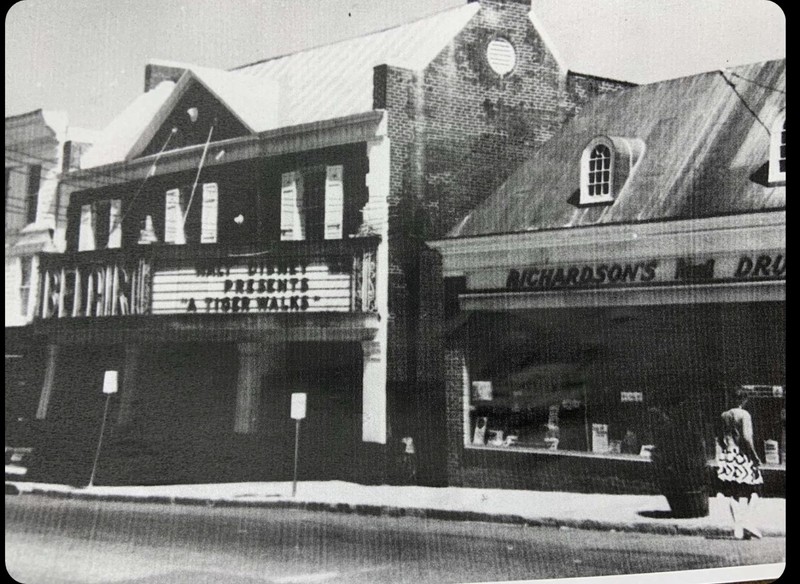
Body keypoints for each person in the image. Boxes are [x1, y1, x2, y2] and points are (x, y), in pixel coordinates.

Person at [716, 388, 764, 539]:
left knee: (734, 492)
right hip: (743, 455)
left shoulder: (724, 415)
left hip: (729, 454)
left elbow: (719, 438)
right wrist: (755, 457)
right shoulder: (744, 415)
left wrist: (724, 453)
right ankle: (747, 521)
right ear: (744, 400)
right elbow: (747, 438)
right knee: (756, 489)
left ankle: (738, 528)